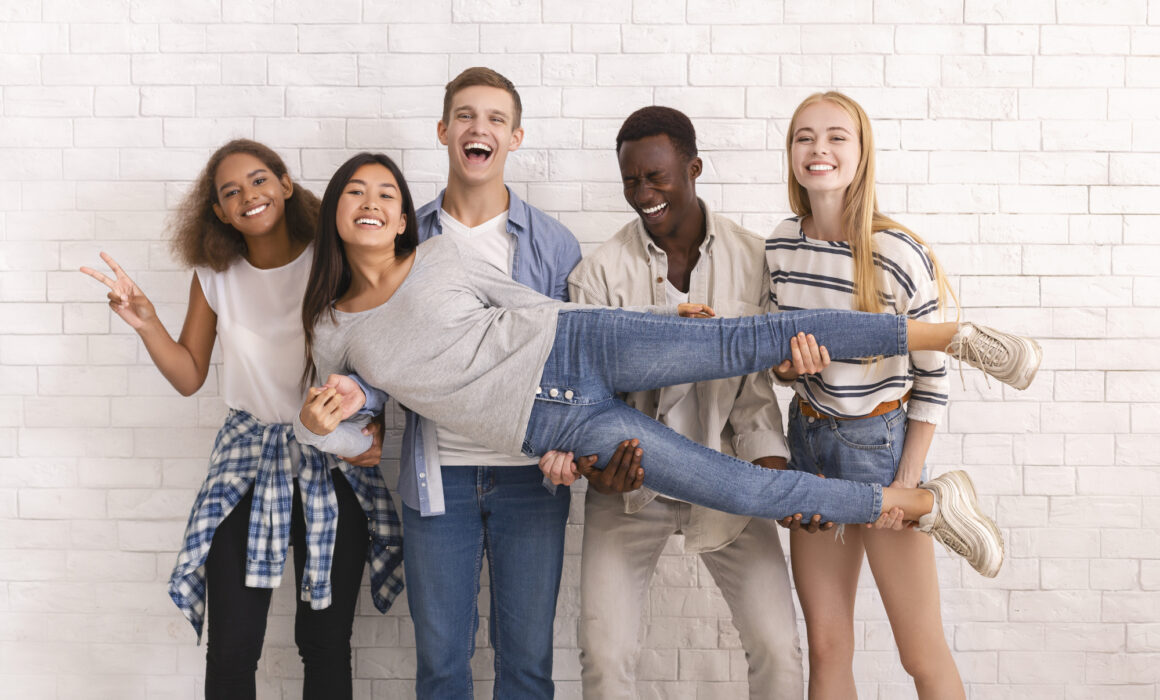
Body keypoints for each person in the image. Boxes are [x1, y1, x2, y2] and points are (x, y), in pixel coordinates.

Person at [294, 152, 1041, 594]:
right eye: (356, 193)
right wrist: (318, 427)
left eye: (386, 194)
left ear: (402, 219)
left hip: (578, 344)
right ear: (336, 214)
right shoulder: (334, 327)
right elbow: (361, 440)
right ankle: (923, 506)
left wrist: (656, 323)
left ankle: (957, 336)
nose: (372, 203)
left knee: (760, 337)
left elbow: (529, 305)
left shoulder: (441, 255)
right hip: (560, 425)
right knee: (743, 487)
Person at [79, 139, 403, 700]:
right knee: (232, 647)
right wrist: (146, 322)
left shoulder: (331, 260)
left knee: (324, 643)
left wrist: (371, 429)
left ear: (283, 183)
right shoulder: (214, 275)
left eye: (258, 181)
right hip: (246, 457)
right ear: (221, 214)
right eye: (231, 193)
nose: (248, 196)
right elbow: (188, 376)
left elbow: (376, 356)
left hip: (330, 457)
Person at [767, 91, 1042, 699]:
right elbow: (778, 359)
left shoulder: (897, 252)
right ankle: (934, 501)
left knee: (920, 651)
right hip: (810, 446)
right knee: (827, 648)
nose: (819, 149)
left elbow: (932, 380)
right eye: (804, 136)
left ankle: (935, 501)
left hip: (881, 452)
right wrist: (789, 370)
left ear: (862, 153)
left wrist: (911, 479)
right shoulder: (781, 245)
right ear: (790, 153)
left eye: (837, 136)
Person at [340, 67, 590, 700]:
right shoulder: (405, 237)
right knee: (442, 667)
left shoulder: (554, 244)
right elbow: (375, 351)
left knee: (528, 667)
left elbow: (574, 355)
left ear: (516, 136)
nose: (480, 128)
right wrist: (355, 406)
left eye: (496, 119)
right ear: (445, 130)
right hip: (436, 480)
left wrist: (572, 442)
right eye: (467, 116)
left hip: (532, 477)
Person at [560, 106, 806, 699]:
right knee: (604, 651)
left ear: (694, 168)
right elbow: (586, 396)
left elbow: (754, 392)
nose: (643, 193)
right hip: (631, 481)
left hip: (728, 472)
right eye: (630, 181)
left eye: (656, 177)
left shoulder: (755, 259)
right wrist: (596, 468)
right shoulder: (596, 276)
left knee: (778, 646)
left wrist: (771, 475)